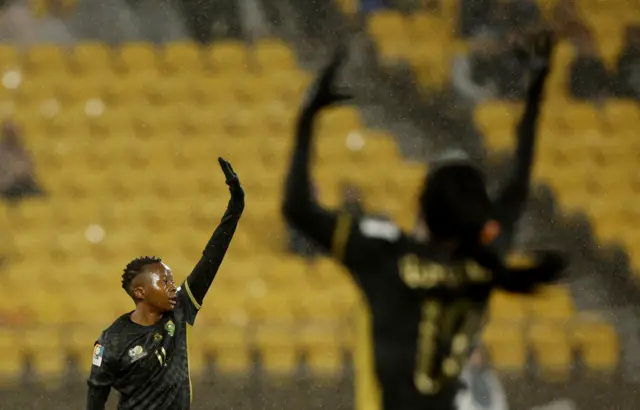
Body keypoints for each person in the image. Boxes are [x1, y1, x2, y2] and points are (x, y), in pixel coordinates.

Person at [282, 32, 566, 410]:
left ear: (424, 209)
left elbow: (297, 207)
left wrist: (307, 118)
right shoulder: (485, 261)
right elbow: (517, 186)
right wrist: (534, 96)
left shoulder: (388, 258)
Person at [86, 157, 244, 410]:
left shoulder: (179, 309)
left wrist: (235, 209)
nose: (173, 286)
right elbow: (95, 399)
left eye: (172, 280)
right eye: (164, 281)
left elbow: (211, 258)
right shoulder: (110, 341)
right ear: (140, 292)